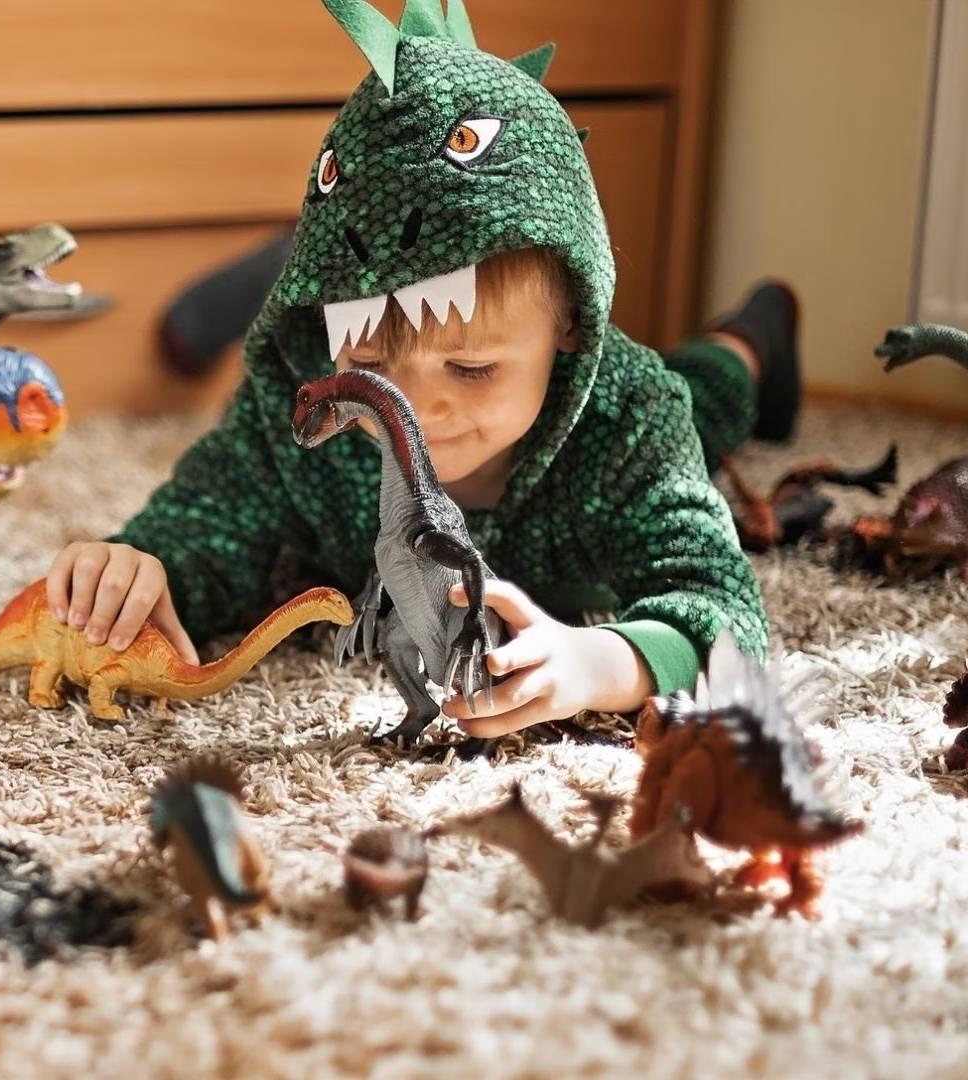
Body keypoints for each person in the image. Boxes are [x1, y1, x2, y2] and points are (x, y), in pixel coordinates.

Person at [47, 0, 795, 737]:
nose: (413, 407)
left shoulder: (633, 416)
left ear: (572, 322)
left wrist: (598, 663)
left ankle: (751, 334)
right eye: (370, 363)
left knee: (707, 393)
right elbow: (208, 525)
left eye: (469, 367)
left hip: (649, 404)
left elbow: (722, 613)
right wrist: (142, 568)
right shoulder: (304, 408)